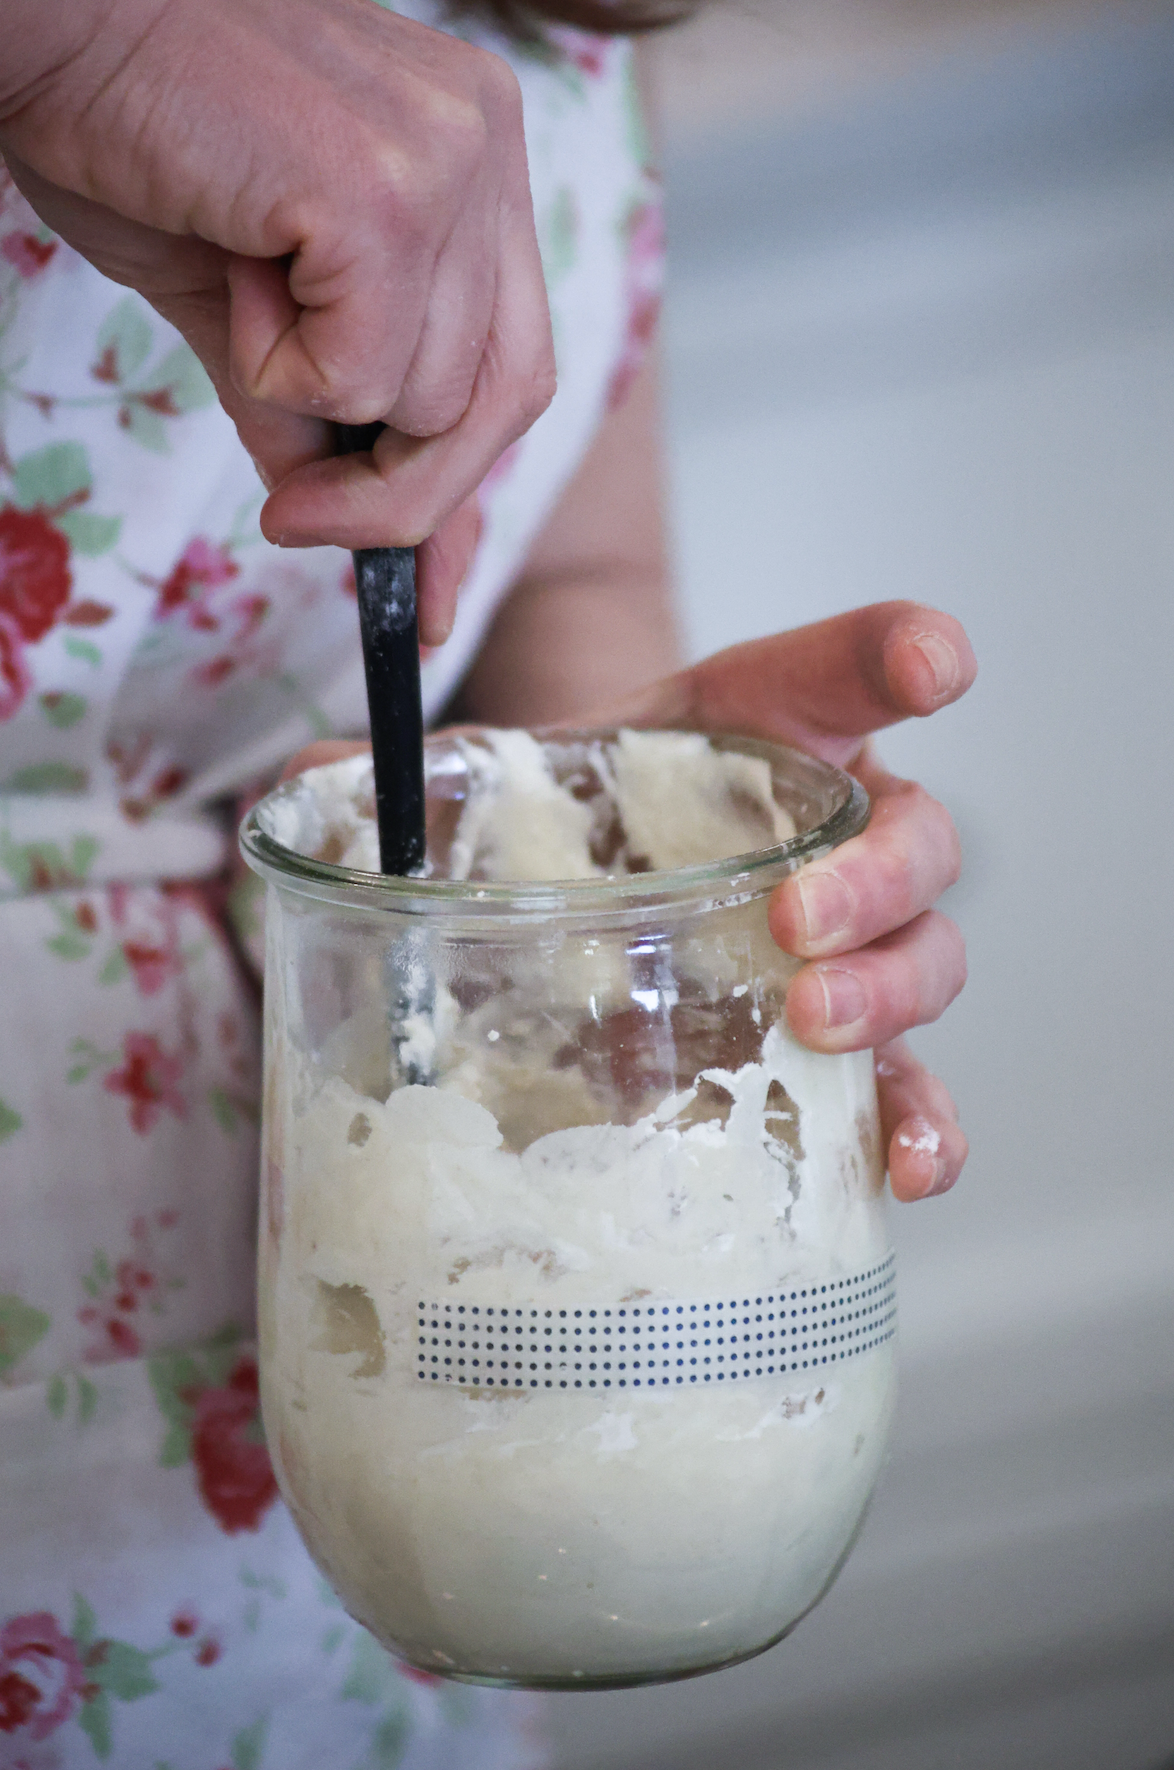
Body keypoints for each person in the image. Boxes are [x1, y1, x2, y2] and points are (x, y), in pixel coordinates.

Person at [0, 0, 972, 1762]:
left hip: (318, 1485)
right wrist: (91, 44)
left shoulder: (572, 37)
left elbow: (566, 584)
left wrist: (634, 870)